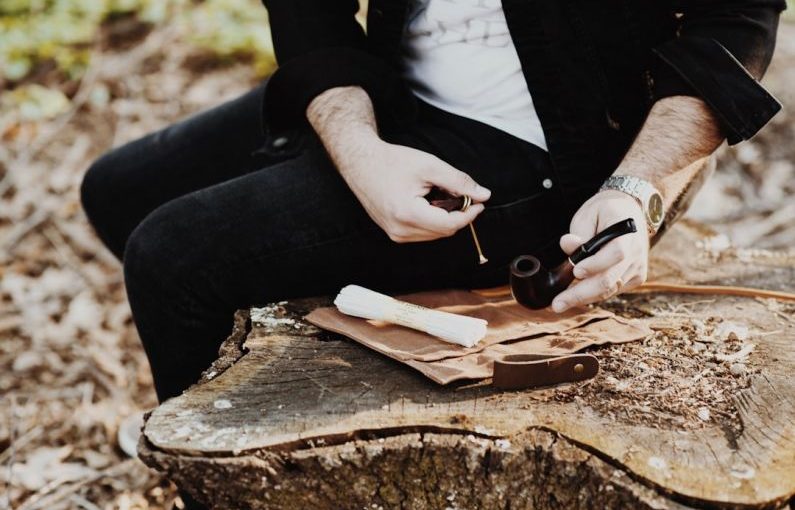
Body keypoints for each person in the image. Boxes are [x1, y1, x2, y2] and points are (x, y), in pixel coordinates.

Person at [81, 1, 784, 506]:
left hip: (573, 160)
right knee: (118, 190)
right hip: (398, 99)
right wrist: (360, 153)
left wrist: (635, 189)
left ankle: (225, 491)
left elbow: (732, 21)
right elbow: (309, 14)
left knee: (172, 255)